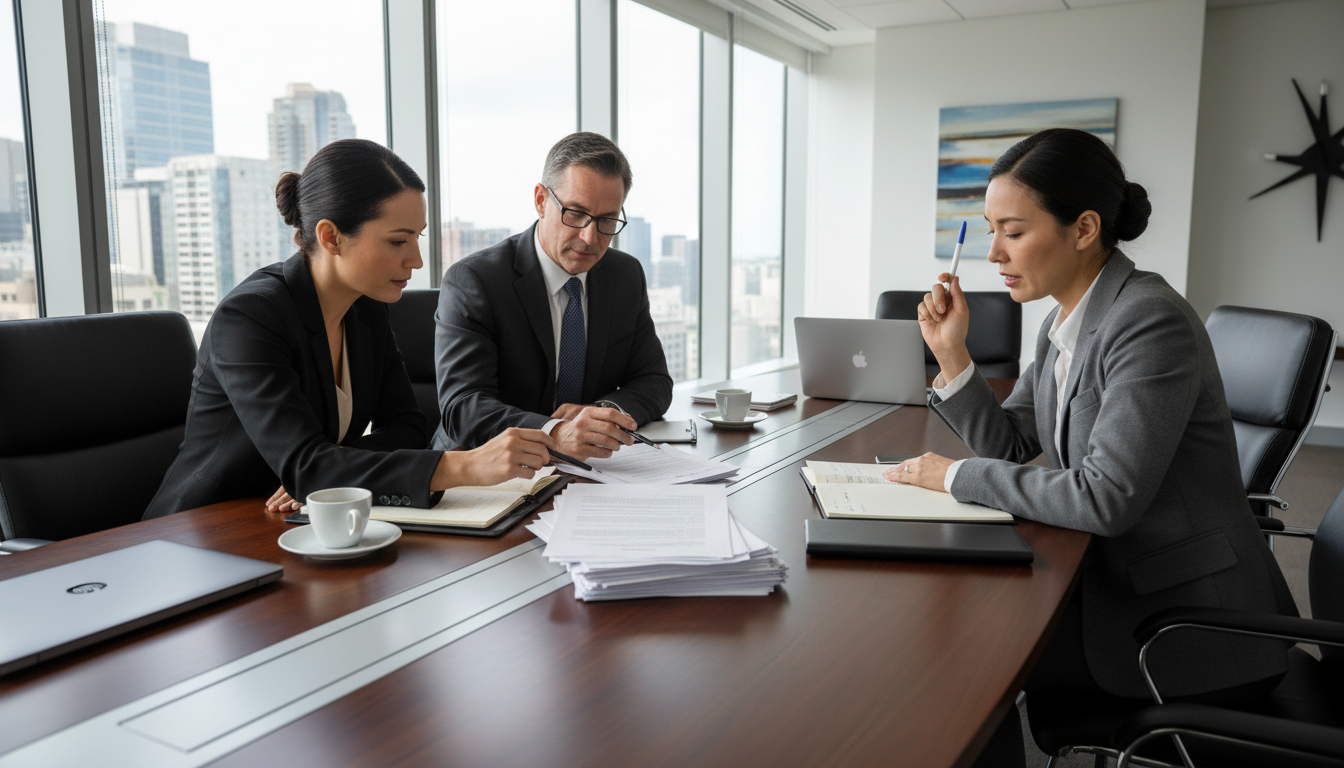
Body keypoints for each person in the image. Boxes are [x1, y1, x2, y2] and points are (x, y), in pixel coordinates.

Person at [887, 129, 1293, 764]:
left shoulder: (1147, 321)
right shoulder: (1062, 320)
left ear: (1083, 229)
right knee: (955, 636)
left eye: (1013, 231)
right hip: (1125, 579)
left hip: (1184, 626)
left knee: (963, 662)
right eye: (990, 230)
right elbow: (1018, 443)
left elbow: (1106, 499)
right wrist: (953, 356)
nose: (994, 252)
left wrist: (955, 477)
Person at [144, 139, 556, 520]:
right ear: (331, 237)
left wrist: (330, 467)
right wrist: (463, 465)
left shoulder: (366, 308)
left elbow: (408, 427)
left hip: (308, 519)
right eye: (398, 241)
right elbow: (310, 466)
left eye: (417, 237)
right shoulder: (250, 316)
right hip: (208, 527)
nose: (415, 260)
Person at [432, 132, 673, 459]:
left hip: (587, 469)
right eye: (575, 213)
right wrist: (555, 432)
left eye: (606, 220)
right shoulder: (476, 280)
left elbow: (654, 380)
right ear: (541, 201)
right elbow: (463, 406)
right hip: (482, 467)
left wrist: (597, 417)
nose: (590, 237)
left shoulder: (624, 275)